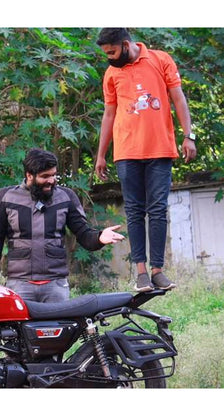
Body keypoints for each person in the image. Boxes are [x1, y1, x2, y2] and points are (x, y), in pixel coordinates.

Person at [95, 28, 197, 292]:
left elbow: (178, 98)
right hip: (126, 152)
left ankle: (158, 271)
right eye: (106, 54)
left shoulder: (160, 59)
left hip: (160, 150)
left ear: (125, 44)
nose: (109, 58)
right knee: (134, 211)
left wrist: (189, 136)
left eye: (112, 52)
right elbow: (109, 114)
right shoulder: (111, 73)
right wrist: (101, 154)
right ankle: (141, 273)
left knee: (158, 210)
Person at [0, 148, 125, 302]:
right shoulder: (4, 198)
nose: (51, 180)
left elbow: (84, 235)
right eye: (45, 176)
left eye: (53, 175)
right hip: (19, 286)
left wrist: (99, 237)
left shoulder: (66, 197)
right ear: (29, 175)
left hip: (56, 286)